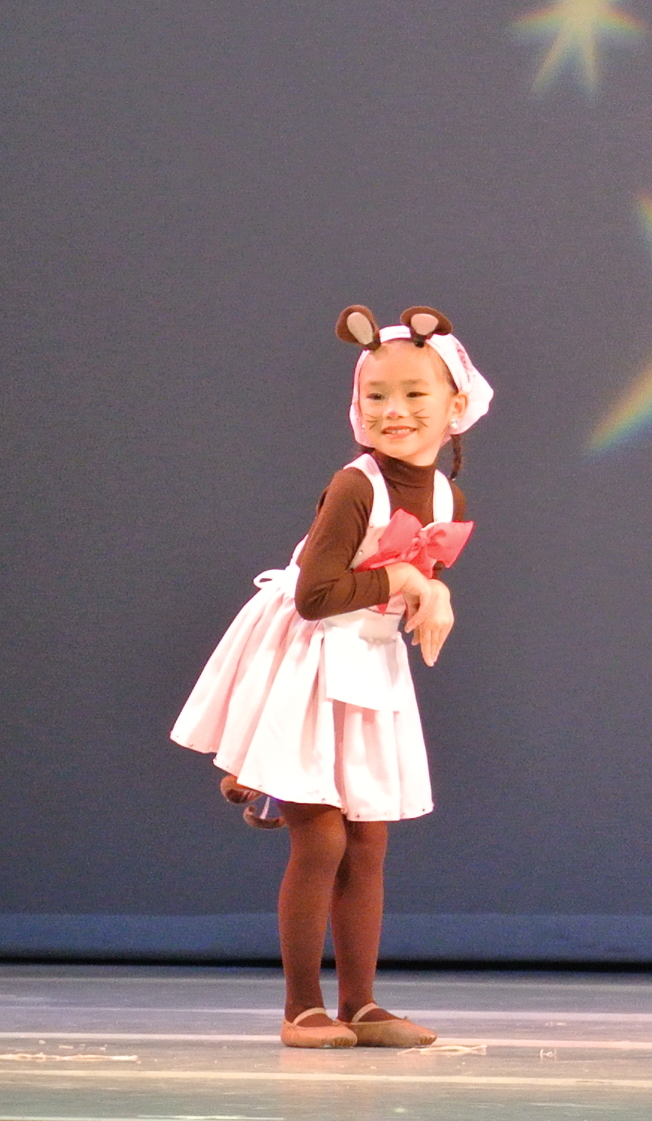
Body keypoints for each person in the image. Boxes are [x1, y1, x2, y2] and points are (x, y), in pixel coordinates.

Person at [172, 306, 488, 1048]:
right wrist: (405, 578)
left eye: (414, 394)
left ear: (456, 407)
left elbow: (413, 578)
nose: (394, 410)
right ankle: (302, 1007)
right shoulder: (354, 486)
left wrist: (433, 591)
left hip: (368, 665)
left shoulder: (447, 497)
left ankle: (362, 1004)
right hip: (309, 661)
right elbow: (317, 595)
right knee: (320, 841)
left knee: (368, 842)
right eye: (376, 395)